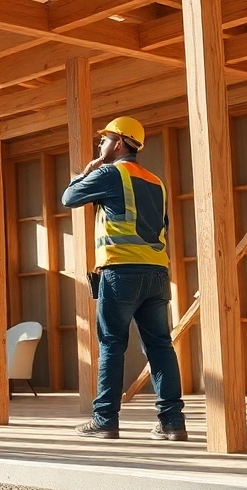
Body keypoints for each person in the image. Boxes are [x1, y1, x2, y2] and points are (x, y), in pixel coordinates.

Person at [61, 117, 187, 442]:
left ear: (118, 143)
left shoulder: (109, 173)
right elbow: (164, 226)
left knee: (112, 345)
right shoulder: (156, 182)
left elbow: (69, 197)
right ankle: (172, 423)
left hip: (121, 273)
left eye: (103, 141)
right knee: (160, 346)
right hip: (157, 274)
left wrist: (88, 168)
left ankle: (105, 420)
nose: (99, 146)